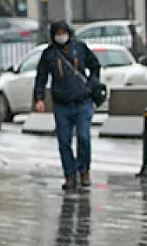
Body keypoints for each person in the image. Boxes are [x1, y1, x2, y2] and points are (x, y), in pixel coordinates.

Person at [33, 21, 101, 191]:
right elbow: (41, 77)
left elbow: (95, 66)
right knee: (64, 141)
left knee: (84, 138)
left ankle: (84, 170)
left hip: (82, 101)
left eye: (64, 32)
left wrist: (92, 83)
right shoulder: (49, 54)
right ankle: (69, 175)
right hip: (61, 105)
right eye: (58, 33)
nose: (61, 36)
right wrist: (39, 98)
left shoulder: (80, 48)